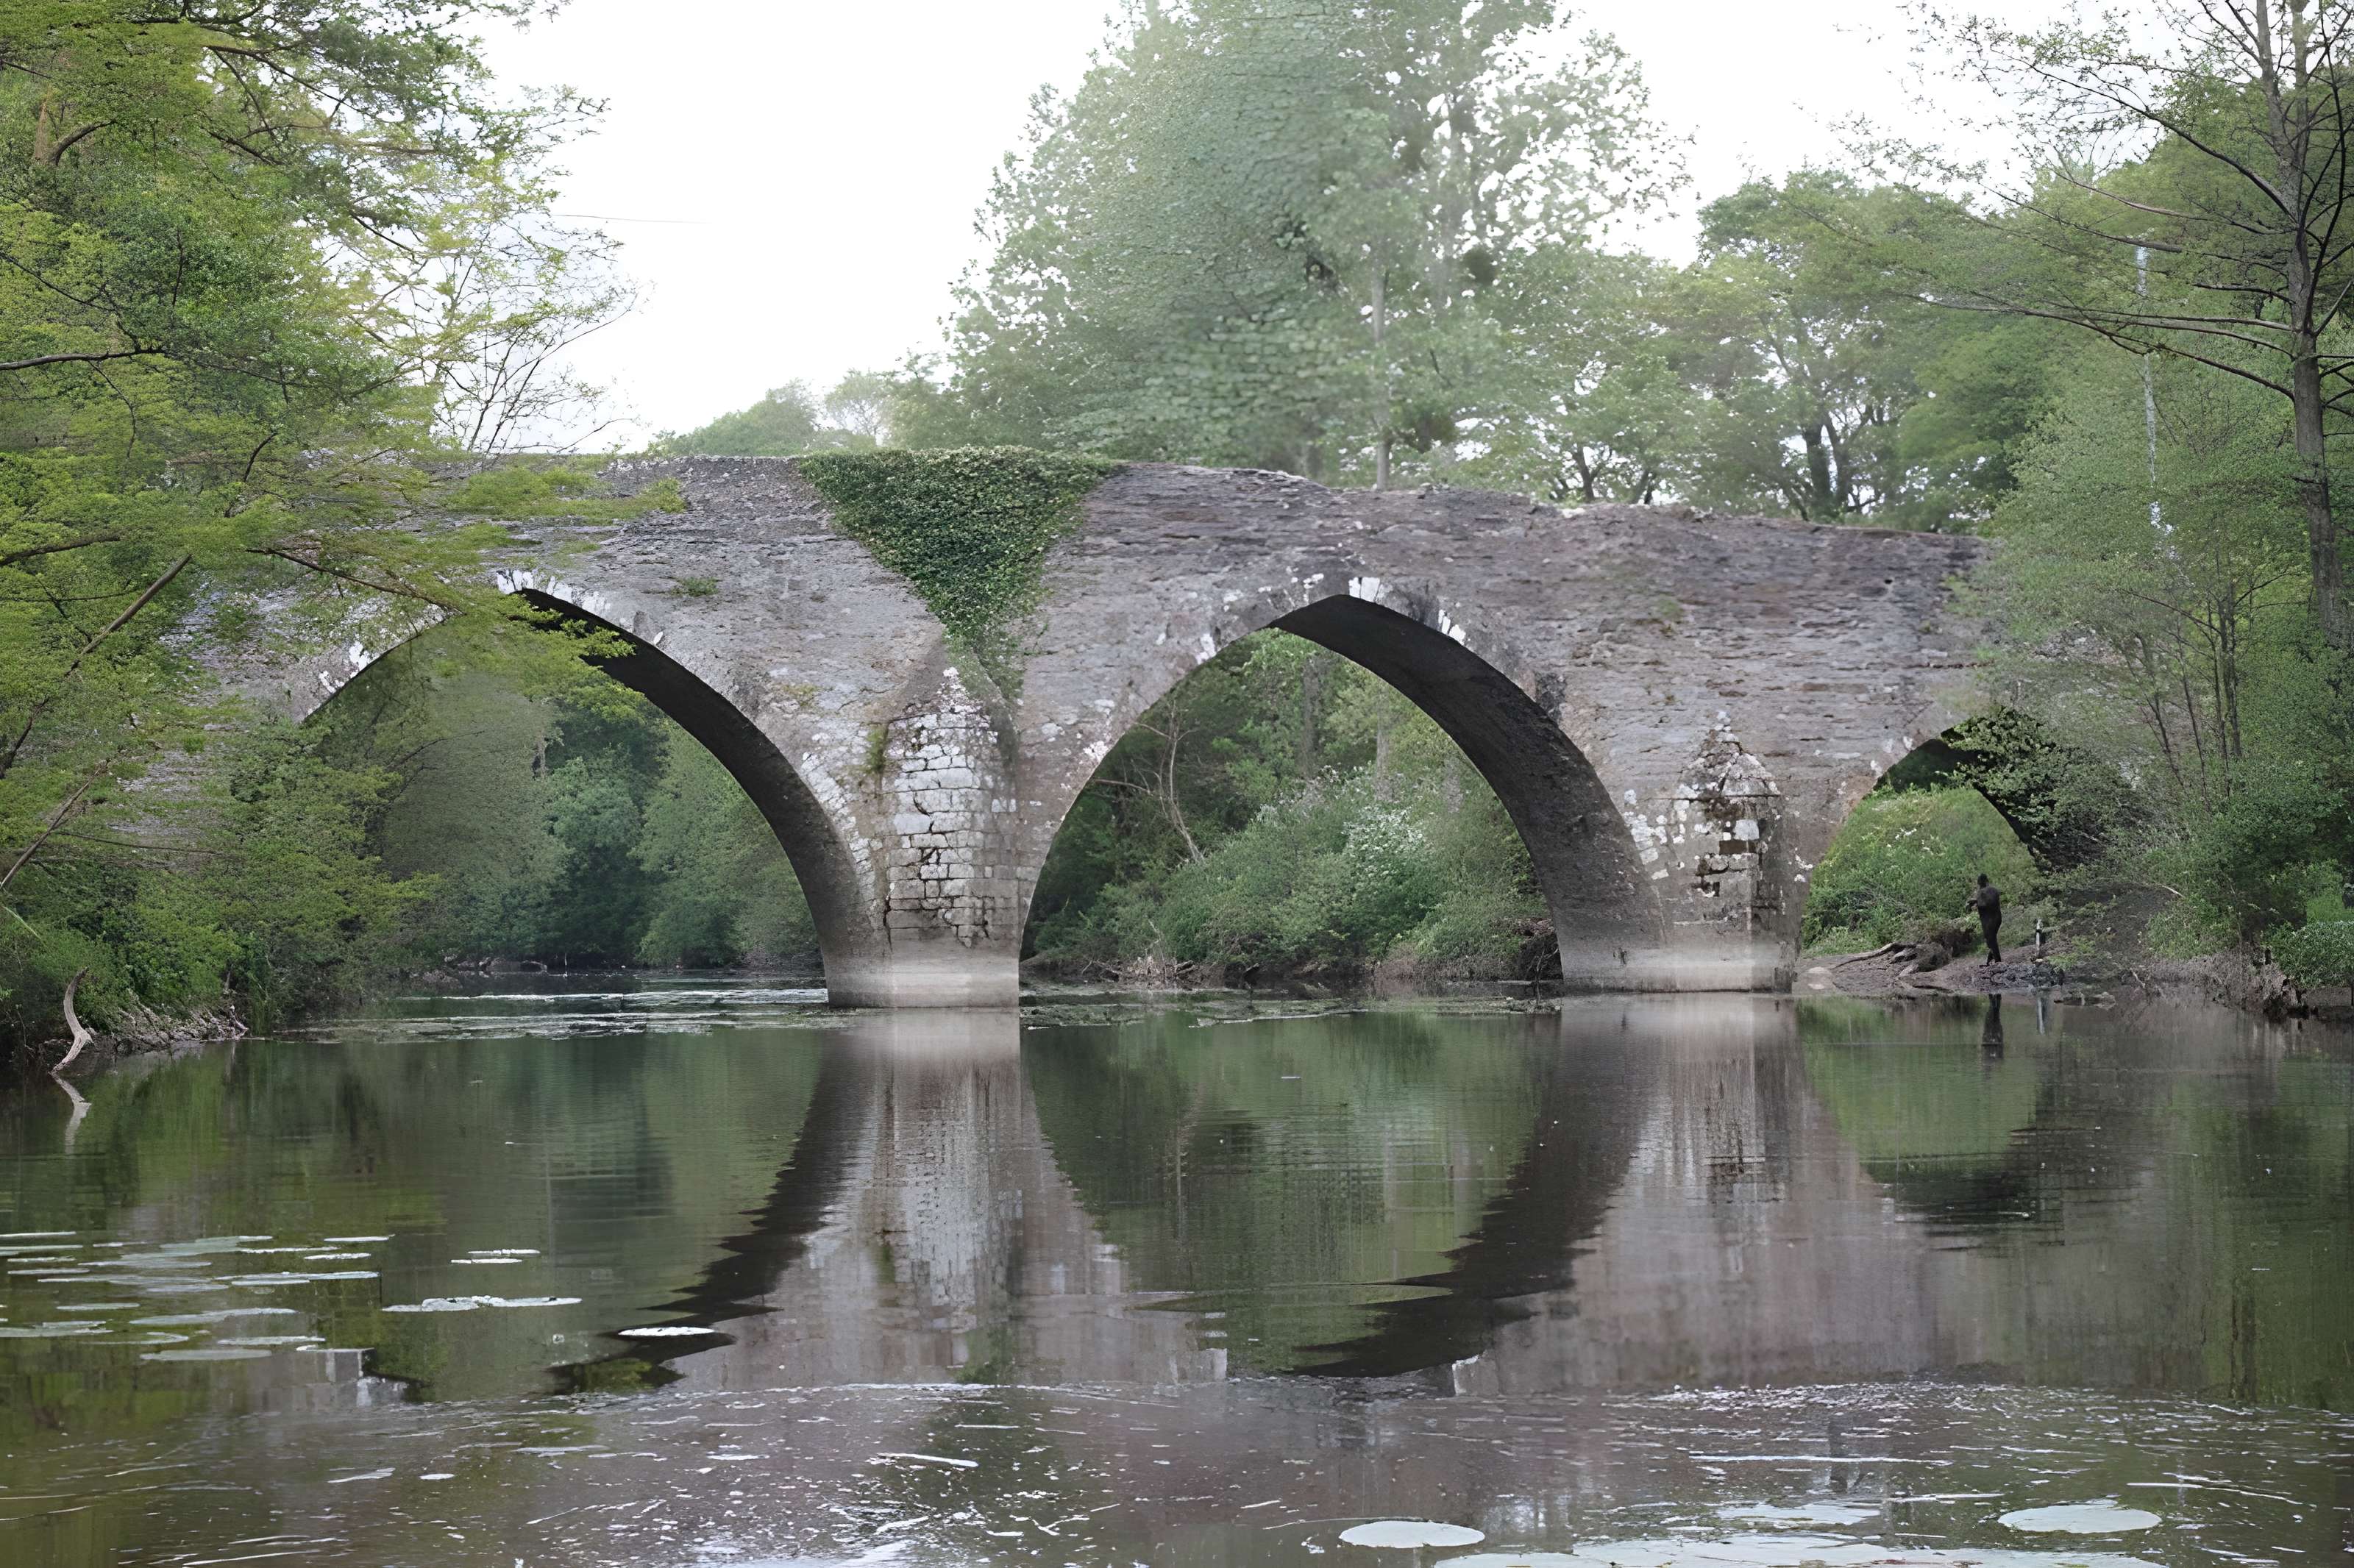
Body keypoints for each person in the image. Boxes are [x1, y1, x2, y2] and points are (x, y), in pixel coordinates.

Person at [1969, 873, 2003, 964]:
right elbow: (1991, 901)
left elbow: (1983, 904)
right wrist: (1976, 901)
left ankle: (1997, 961)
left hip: (1989, 920)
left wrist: (1974, 903)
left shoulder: (1981, 892)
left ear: (1980, 882)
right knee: (1992, 940)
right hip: (1998, 918)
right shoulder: (1994, 890)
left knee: (1991, 941)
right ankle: (1991, 960)